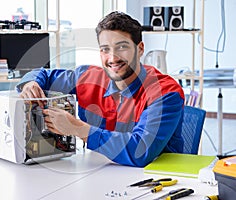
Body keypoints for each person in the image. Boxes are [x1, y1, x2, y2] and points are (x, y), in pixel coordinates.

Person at [16, 11, 185, 167]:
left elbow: (140, 151)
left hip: (155, 181)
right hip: (101, 170)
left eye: (122, 47)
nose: (113, 58)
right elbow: (42, 75)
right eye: (105, 49)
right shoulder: (88, 77)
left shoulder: (165, 93)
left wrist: (76, 128)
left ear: (140, 49)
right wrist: (30, 84)